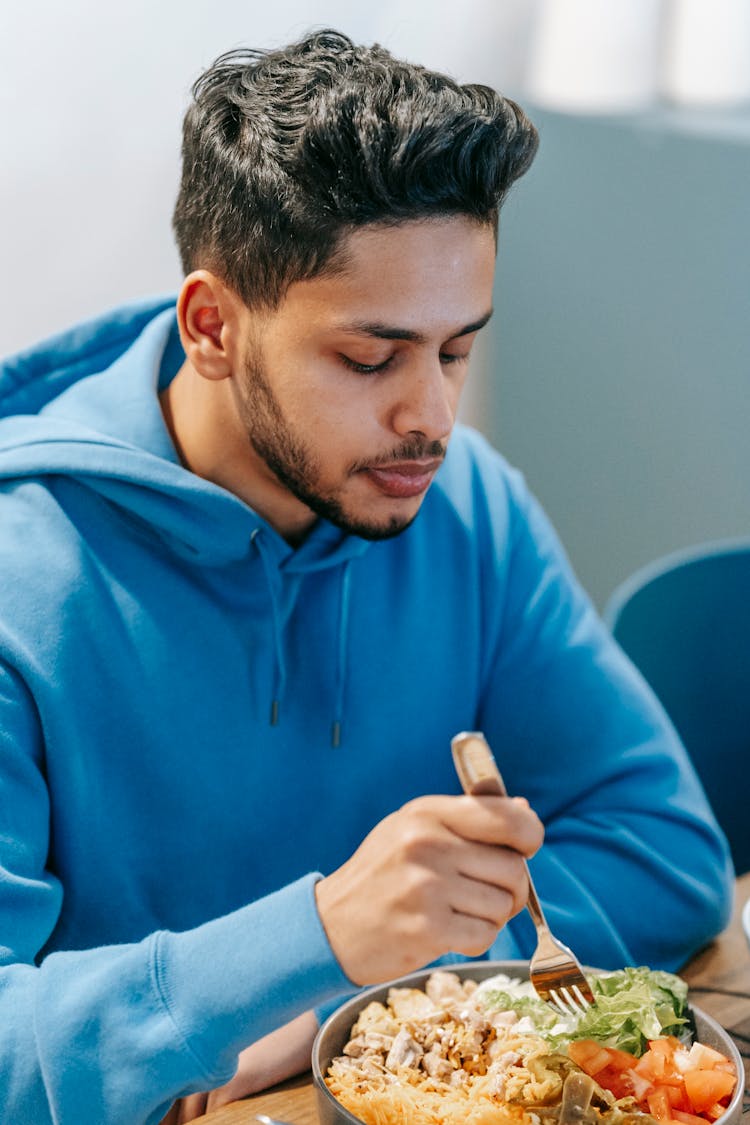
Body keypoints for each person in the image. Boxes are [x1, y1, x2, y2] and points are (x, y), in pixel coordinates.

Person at [0, 28, 733, 1125]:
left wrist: (355, 991)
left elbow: (667, 847)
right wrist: (314, 936)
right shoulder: (22, 578)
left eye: (456, 349)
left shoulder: (468, 502)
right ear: (213, 326)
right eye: (368, 358)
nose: (432, 421)